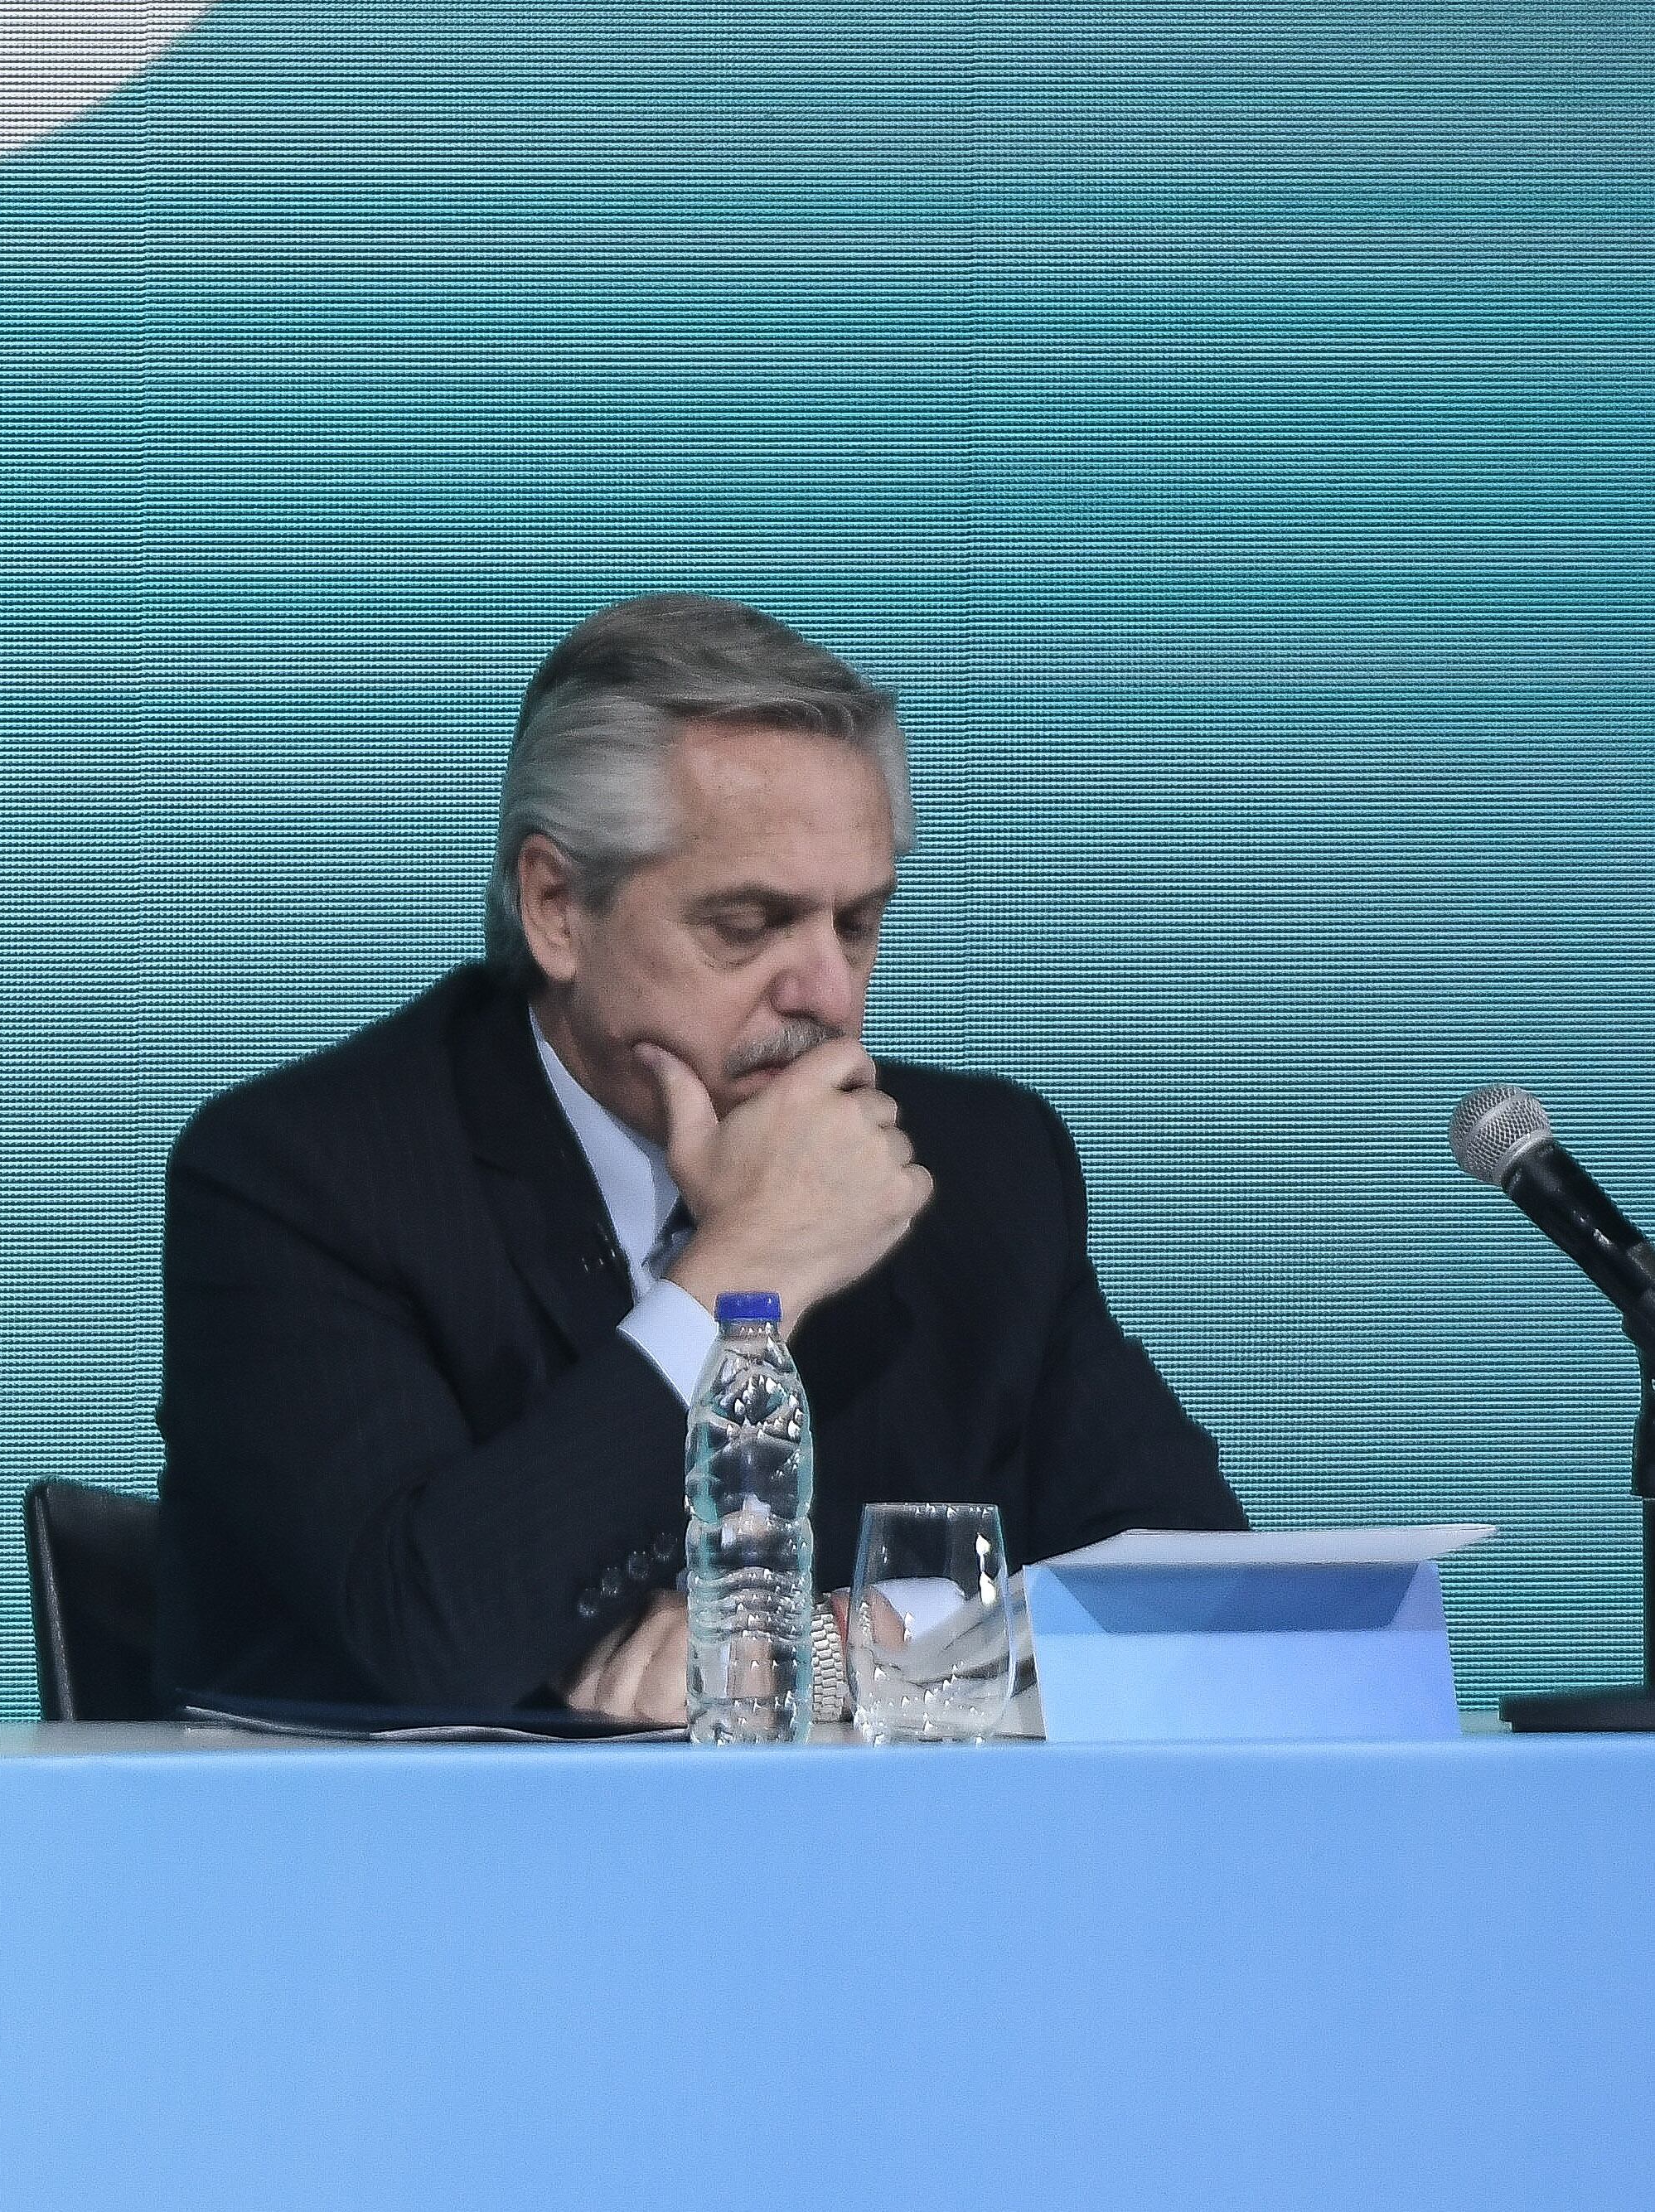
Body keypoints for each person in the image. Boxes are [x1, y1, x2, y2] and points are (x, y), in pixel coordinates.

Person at [156, 593, 1241, 1720]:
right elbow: (431, 1636)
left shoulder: (981, 1171)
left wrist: (818, 1652)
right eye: (747, 925)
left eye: (858, 923)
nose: (827, 991)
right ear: (557, 906)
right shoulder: (299, 1178)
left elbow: (1202, 1604)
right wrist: (747, 1262)